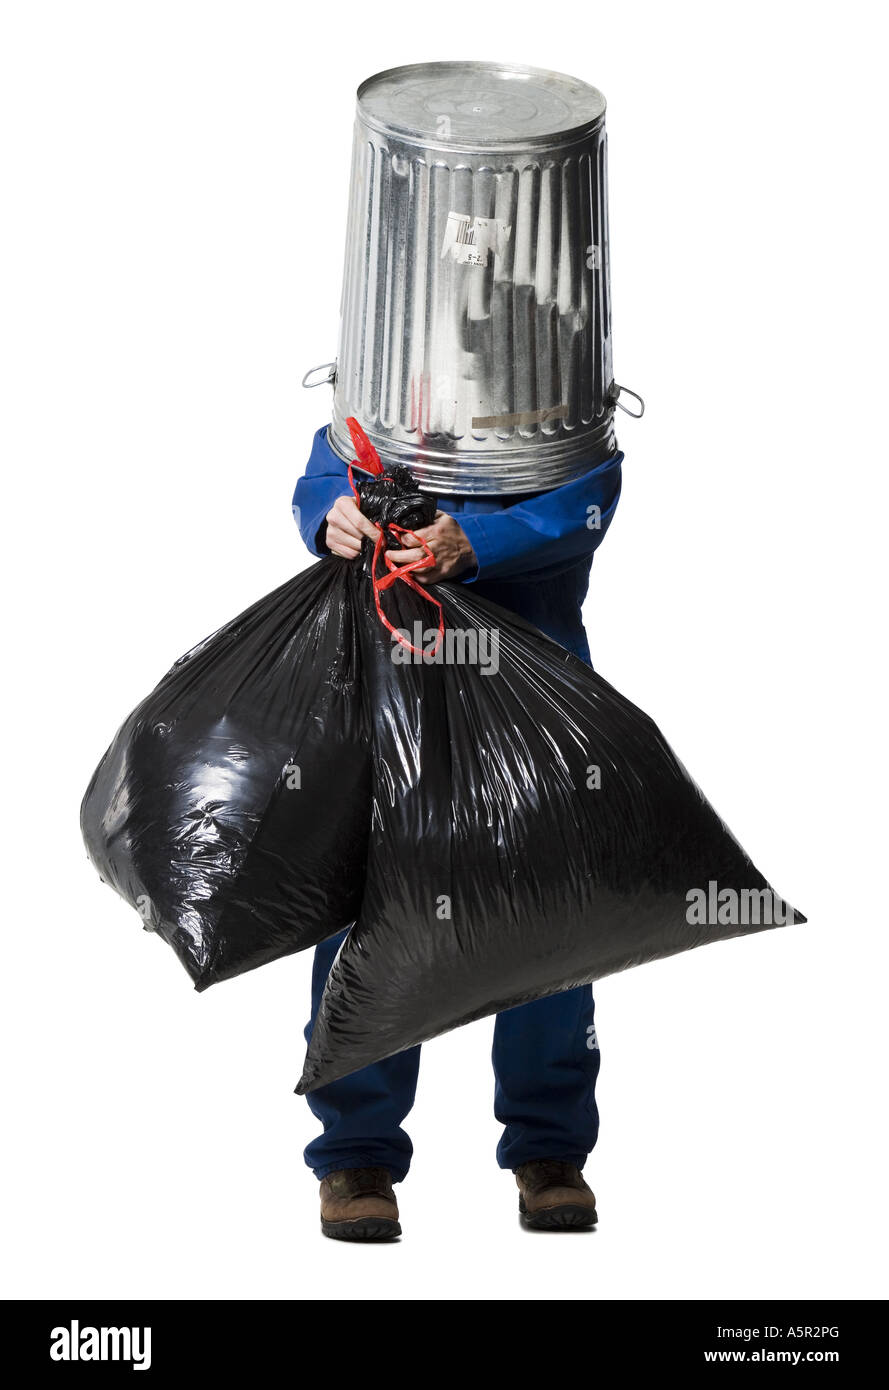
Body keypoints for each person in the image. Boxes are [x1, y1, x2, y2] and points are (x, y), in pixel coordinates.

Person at [293, 424, 623, 1240]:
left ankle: (550, 1153)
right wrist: (327, 519)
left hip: (531, 697)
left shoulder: (558, 409)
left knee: (546, 918)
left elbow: (586, 498)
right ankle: (354, 1156)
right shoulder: (375, 401)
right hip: (392, 696)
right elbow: (321, 482)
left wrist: (473, 539)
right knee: (370, 915)